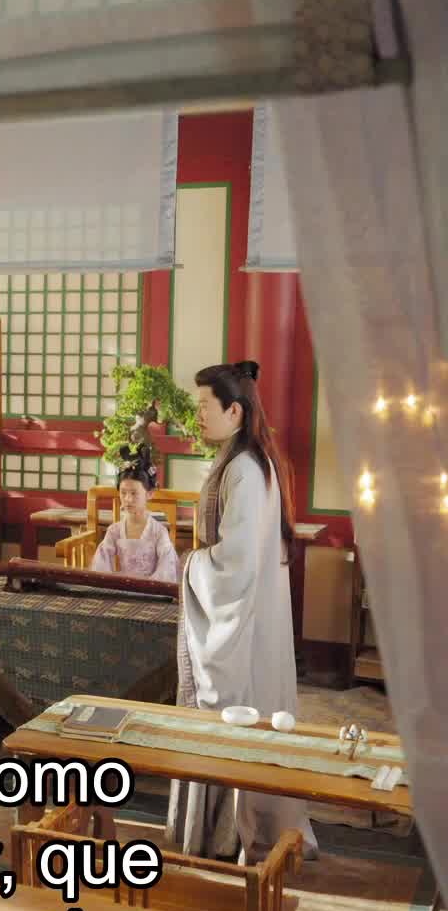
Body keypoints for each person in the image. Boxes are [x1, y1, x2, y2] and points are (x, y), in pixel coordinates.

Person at [168, 361, 318, 862]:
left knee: (235, 712)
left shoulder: (246, 471)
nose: (197, 416)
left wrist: (192, 563)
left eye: (204, 406)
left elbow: (236, 560)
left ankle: (233, 833)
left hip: (244, 617)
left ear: (234, 411)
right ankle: (229, 831)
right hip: (252, 612)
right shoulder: (243, 461)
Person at [91, 463, 180, 583]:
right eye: (123, 493)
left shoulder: (158, 531)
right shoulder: (114, 530)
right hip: (123, 587)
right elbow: (101, 564)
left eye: (134, 493)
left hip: (151, 588)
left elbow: (167, 568)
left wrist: (148, 587)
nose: (128, 499)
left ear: (149, 494)